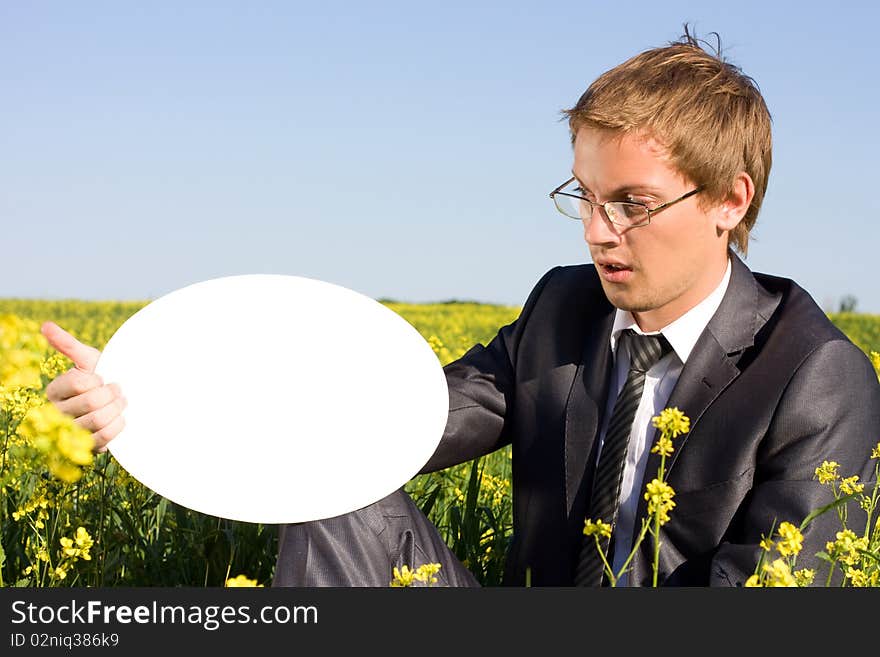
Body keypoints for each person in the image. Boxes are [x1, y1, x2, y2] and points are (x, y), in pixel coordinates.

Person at [41, 28, 880, 587]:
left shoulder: (815, 374)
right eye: (583, 195)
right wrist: (144, 402)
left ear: (731, 200)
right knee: (340, 482)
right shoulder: (563, 307)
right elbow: (380, 422)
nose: (597, 231)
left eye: (632, 202)